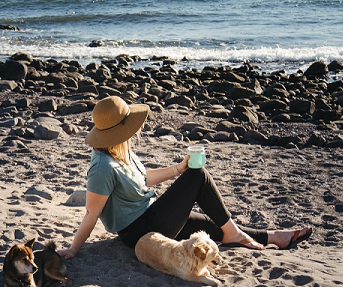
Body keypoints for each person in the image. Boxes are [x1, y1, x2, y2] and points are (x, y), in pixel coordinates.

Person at [59, 96, 311, 259]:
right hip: (139, 231)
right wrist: (73, 249)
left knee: (216, 228)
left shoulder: (120, 151)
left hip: (152, 215)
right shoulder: (102, 166)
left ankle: (274, 236)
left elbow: (143, 178)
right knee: (198, 175)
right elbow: (91, 213)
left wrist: (178, 168)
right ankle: (239, 233)